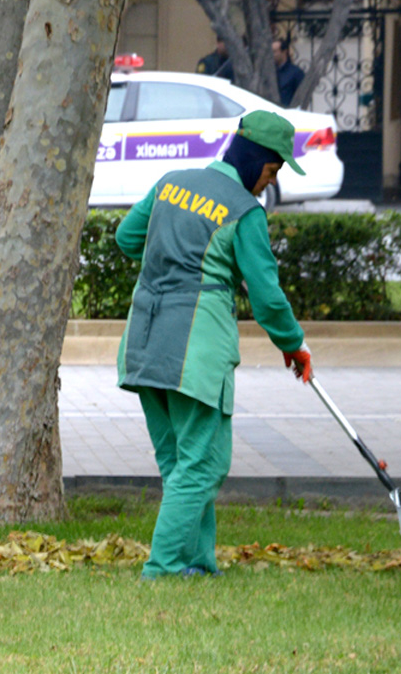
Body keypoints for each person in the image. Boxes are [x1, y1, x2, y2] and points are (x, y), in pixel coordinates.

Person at [114, 110, 313, 580]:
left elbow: (127, 238)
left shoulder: (171, 183)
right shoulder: (245, 212)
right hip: (194, 352)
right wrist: (294, 344)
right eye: (271, 171)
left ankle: (197, 564)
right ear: (255, 160)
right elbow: (266, 298)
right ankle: (162, 570)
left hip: (142, 342)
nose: (269, 183)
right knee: (203, 464)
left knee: (179, 465)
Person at [273, 38, 305, 107]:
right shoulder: (271, 72)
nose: (272, 55)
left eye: (275, 51)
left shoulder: (296, 73)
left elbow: (301, 97)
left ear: (284, 51)